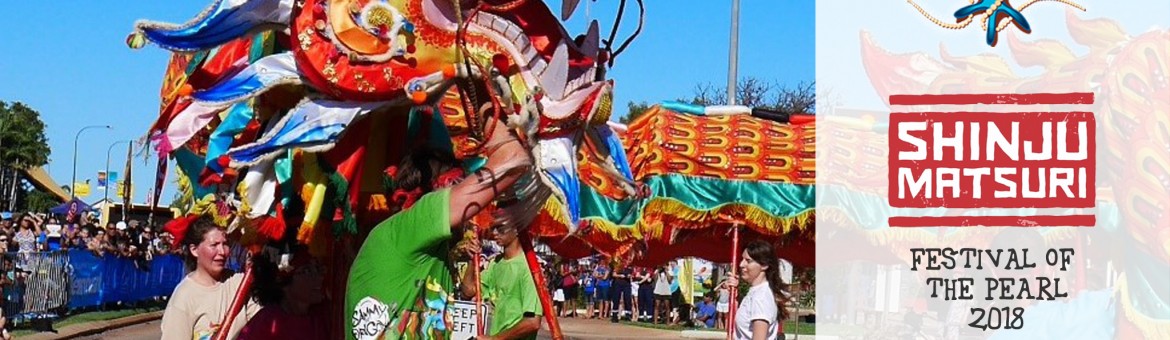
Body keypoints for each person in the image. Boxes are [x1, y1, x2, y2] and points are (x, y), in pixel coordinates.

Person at [344, 120, 533, 340]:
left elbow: (465, 293)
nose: (472, 215)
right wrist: (487, 106)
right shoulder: (413, 222)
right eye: (459, 184)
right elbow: (513, 160)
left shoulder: (426, 249)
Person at [160, 218, 259, 340]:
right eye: (214, 245)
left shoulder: (239, 283)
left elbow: (262, 322)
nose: (222, 251)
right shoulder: (183, 298)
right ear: (194, 250)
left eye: (225, 244)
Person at [460, 221, 543, 340]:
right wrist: (472, 260)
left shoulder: (529, 268)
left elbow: (532, 322)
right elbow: (468, 291)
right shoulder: (496, 263)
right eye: (493, 228)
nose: (494, 233)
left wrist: (496, 339)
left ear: (517, 229)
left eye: (500, 228)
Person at [237, 247, 326, 340]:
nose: (319, 277)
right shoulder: (267, 323)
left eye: (318, 268)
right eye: (306, 271)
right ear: (282, 281)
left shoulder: (321, 318)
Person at [726, 240, 790, 340]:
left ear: (764, 265)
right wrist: (735, 293)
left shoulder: (761, 297)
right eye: (742, 259)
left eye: (748, 261)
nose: (741, 264)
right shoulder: (756, 292)